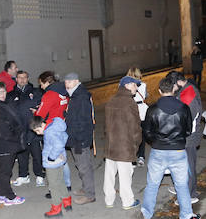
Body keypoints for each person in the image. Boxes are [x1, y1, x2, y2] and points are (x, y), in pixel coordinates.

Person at [140, 76, 199, 219]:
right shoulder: (184, 108)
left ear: (159, 91)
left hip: (158, 151)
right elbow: (187, 131)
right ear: (174, 89)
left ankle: (147, 212)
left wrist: (157, 140)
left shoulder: (152, 109)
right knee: (181, 184)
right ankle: (186, 215)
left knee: (152, 184)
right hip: (178, 151)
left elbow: (146, 132)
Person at [102, 76, 143, 209]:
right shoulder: (130, 103)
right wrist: (136, 144)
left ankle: (109, 200)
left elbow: (106, 126)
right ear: (128, 85)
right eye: (135, 85)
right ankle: (127, 201)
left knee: (109, 174)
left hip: (111, 145)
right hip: (124, 145)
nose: (136, 88)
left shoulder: (111, 100)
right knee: (125, 174)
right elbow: (135, 127)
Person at [0, 81, 26, 205]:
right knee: (5, 172)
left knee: (4, 171)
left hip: (2, 144)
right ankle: (9, 197)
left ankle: (2, 195)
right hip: (3, 144)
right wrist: (16, 136)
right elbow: (3, 130)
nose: (3, 94)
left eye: (4, 91)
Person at [63, 72, 97, 205]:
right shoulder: (75, 95)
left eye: (70, 82)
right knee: (81, 164)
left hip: (79, 138)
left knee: (84, 166)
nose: (67, 85)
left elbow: (83, 120)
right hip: (76, 137)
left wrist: (79, 139)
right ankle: (85, 188)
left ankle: (90, 195)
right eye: (66, 82)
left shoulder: (81, 97)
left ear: (77, 81)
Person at [169, 71, 203, 202]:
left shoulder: (188, 93)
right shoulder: (185, 89)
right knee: (187, 165)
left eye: (173, 86)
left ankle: (189, 195)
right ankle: (189, 191)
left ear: (178, 82)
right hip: (186, 135)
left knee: (188, 167)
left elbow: (189, 118)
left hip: (188, 137)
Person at [9, 70, 45, 188]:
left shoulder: (36, 92)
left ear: (28, 79)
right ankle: (23, 175)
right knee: (21, 154)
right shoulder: (11, 94)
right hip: (19, 130)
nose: (22, 80)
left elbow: (42, 108)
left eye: (24, 77)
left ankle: (40, 176)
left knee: (36, 154)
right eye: (20, 78)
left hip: (33, 129)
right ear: (16, 79)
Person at [31, 114, 71, 217]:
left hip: (52, 163)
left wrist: (51, 157)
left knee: (53, 185)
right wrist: (60, 153)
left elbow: (58, 145)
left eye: (37, 131)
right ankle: (67, 202)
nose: (38, 134)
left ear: (39, 126)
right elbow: (64, 137)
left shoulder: (49, 132)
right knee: (61, 180)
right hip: (60, 159)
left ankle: (56, 208)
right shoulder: (55, 126)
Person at [126, 67, 149, 166]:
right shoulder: (143, 85)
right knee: (142, 134)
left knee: (131, 135)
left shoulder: (126, 85)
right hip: (142, 110)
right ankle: (141, 156)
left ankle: (132, 157)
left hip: (131, 109)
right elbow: (146, 96)